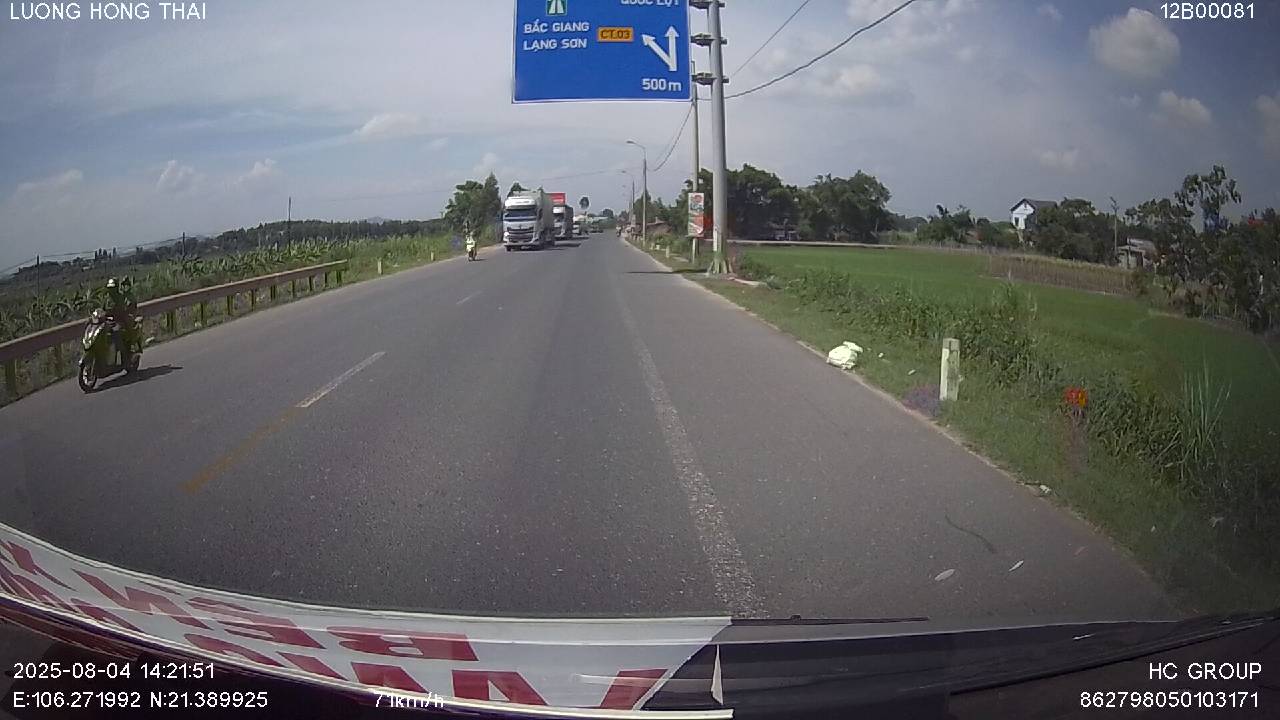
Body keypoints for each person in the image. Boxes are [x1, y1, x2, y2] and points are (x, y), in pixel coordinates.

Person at [103, 277, 138, 357]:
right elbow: (102, 308)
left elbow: (122, 309)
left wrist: (116, 312)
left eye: (113, 288)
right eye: (110, 288)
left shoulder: (121, 297)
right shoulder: (107, 298)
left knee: (116, 331)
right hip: (108, 321)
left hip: (118, 320)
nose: (111, 290)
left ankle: (123, 350)